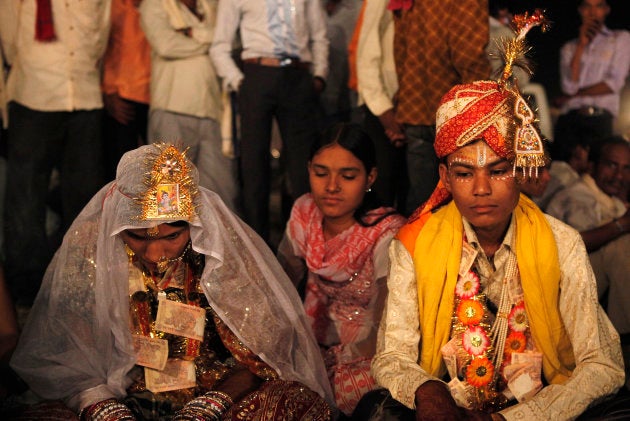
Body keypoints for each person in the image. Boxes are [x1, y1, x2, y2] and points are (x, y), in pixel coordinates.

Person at [354, 13, 625, 420]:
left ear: (519, 171)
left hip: (537, 407)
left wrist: (510, 419)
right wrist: (428, 391)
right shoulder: (414, 245)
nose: (481, 189)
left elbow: (602, 366)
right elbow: (391, 356)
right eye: (464, 173)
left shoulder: (561, 242)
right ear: (444, 176)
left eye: (498, 171)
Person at [7, 143, 334, 420]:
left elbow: (261, 355)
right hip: (122, 389)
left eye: (172, 236)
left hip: (214, 388)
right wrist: (101, 405)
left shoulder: (220, 252)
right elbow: (68, 353)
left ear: (194, 222)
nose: (156, 253)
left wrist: (210, 405)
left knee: (292, 404)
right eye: (137, 237)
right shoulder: (92, 245)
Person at [277, 123, 406, 416]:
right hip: (313, 340)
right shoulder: (305, 211)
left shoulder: (387, 232)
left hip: (367, 352)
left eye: (348, 176)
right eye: (320, 174)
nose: (331, 186)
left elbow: (387, 320)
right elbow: (280, 281)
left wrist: (336, 360)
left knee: (338, 394)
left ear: (370, 177)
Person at [0, 0, 110, 306]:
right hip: (33, 91)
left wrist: (86, 65)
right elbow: (8, 35)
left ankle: (80, 281)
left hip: (85, 93)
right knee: (25, 197)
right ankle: (26, 286)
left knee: (86, 196)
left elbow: (101, 29)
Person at [210, 0, 329, 243]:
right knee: (254, 165)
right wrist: (238, 81)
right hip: (257, 73)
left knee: (302, 167)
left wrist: (319, 76)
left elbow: (319, 35)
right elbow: (219, 45)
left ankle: (304, 243)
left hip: (298, 76)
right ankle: (256, 245)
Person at [388, 0, 491, 216]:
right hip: (457, 117)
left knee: (425, 209)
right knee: (468, 209)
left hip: (415, 109)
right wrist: (486, 103)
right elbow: (468, 55)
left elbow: (400, 52)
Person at [546, 136, 630, 390]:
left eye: (626, 168)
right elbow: (576, 245)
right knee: (620, 248)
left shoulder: (610, 199)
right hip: (562, 287)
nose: (619, 175)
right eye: (611, 165)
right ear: (592, 167)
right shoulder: (578, 196)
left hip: (593, 289)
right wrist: (621, 225)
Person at [140, 0, 240, 213]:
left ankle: (214, 246)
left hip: (213, 111)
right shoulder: (154, 5)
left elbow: (232, 40)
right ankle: (169, 247)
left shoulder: (211, 5)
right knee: (169, 198)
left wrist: (193, 33)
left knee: (221, 197)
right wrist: (213, 43)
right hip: (172, 106)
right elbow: (166, 45)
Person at [553, 0, 630, 149]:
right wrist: (581, 45)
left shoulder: (620, 39)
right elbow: (568, 87)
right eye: (587, 6)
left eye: (599, 6)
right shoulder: (569, 48)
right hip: (570, 118)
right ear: (581, 10)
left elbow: (613, 83)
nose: (593, 12)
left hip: (600, 119)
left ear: (606, 9)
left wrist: (573, 96)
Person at [354, 0, 407, 212]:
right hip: (382, 107)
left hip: (415, 107)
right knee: (381, 191)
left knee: (412, 193)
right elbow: (366, 53)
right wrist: (384, 112)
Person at [101, 0, 151, 182]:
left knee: (162, 172)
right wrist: (108, 92)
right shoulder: (113, 6)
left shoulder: (165, 5)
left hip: (160, 96)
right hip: (122, 95)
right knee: (121, 173)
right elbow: (102, 48)